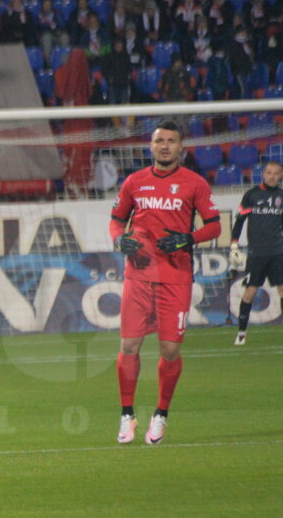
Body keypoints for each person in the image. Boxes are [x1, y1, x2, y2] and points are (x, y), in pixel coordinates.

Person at [109, 121, 221, 445]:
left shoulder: (194, 184)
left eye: (171, 141)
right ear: (151, 146)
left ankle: (161, 414)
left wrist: (188, 238)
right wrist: (119, 241)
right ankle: (127, 414)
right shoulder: (134, 182)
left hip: (175, 276)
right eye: (160, 141)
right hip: (139, 274)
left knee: (170, 349)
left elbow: (213, 226)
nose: (165, 146)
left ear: (181, 147)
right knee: (129, 345)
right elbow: (117, 220)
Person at [229, 161, 283, 345]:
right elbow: (240, 221)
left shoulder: (282, 196)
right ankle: (242, 332)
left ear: (281, 175)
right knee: (250, 292)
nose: (272, 176)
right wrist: (234, 245)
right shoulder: (251, 195)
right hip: (257, 253)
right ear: (264, 174)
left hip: (278, 252)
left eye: (276, 173)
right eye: (269, 172)